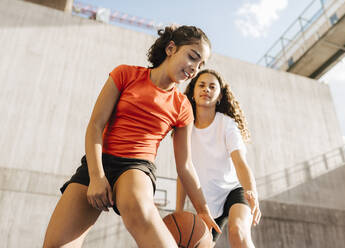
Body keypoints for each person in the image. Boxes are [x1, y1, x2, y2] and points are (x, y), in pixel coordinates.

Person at [43, 25, 221, 248]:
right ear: (171, 48)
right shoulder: (125, 74)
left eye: (200, 64)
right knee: (54, 245)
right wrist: (97, 176)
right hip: (98, 162)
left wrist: (203, 209)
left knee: (138, 208)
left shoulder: (182, 106)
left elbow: (185, 166)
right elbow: (95, 126)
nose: (195, 68)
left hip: (136, 167)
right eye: (193, 57)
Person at [176, 69, 261, 248]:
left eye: (212, 86)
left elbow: (240, 163)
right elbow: (183, 172)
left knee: (238, 231)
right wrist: (178, 211)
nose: (206, 89)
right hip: (206, 202)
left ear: (220, 95)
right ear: (193, 92)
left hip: (233, 190)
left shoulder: (227, 124)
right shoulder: (185, 129)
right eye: (201, 85)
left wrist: (252, 193)